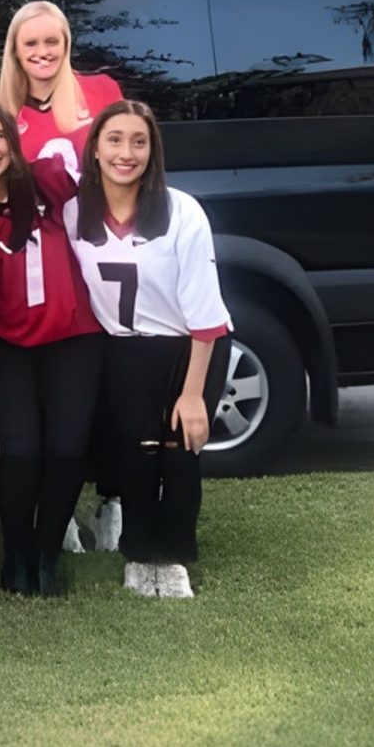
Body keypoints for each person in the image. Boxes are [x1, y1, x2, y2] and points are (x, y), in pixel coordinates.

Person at [70, 100, 231, 600]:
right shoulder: (74, 211)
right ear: (95, 148)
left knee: (179, 450)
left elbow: (206, 314)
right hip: (124, 350)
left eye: (139, 141)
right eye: (114, 139)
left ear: (153, 150)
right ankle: (141, 553)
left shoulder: (182, 211)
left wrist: (193, 394)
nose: (126, 152)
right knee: (137, 455)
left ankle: (174, 554)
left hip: (190, 348)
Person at [0, 93, 104, 596]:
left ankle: (48, 554)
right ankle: (16, 555)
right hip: (11, 344)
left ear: (12, 140)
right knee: (20, 451)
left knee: (65, 449)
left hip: (76, 336)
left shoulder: (48, 179)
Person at [0, 1, 123, 180]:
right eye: (30, 43)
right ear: (15, 51)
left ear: (66, 45)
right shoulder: (1, 117)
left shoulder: (103, 89)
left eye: (51, 42)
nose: (42, 52)